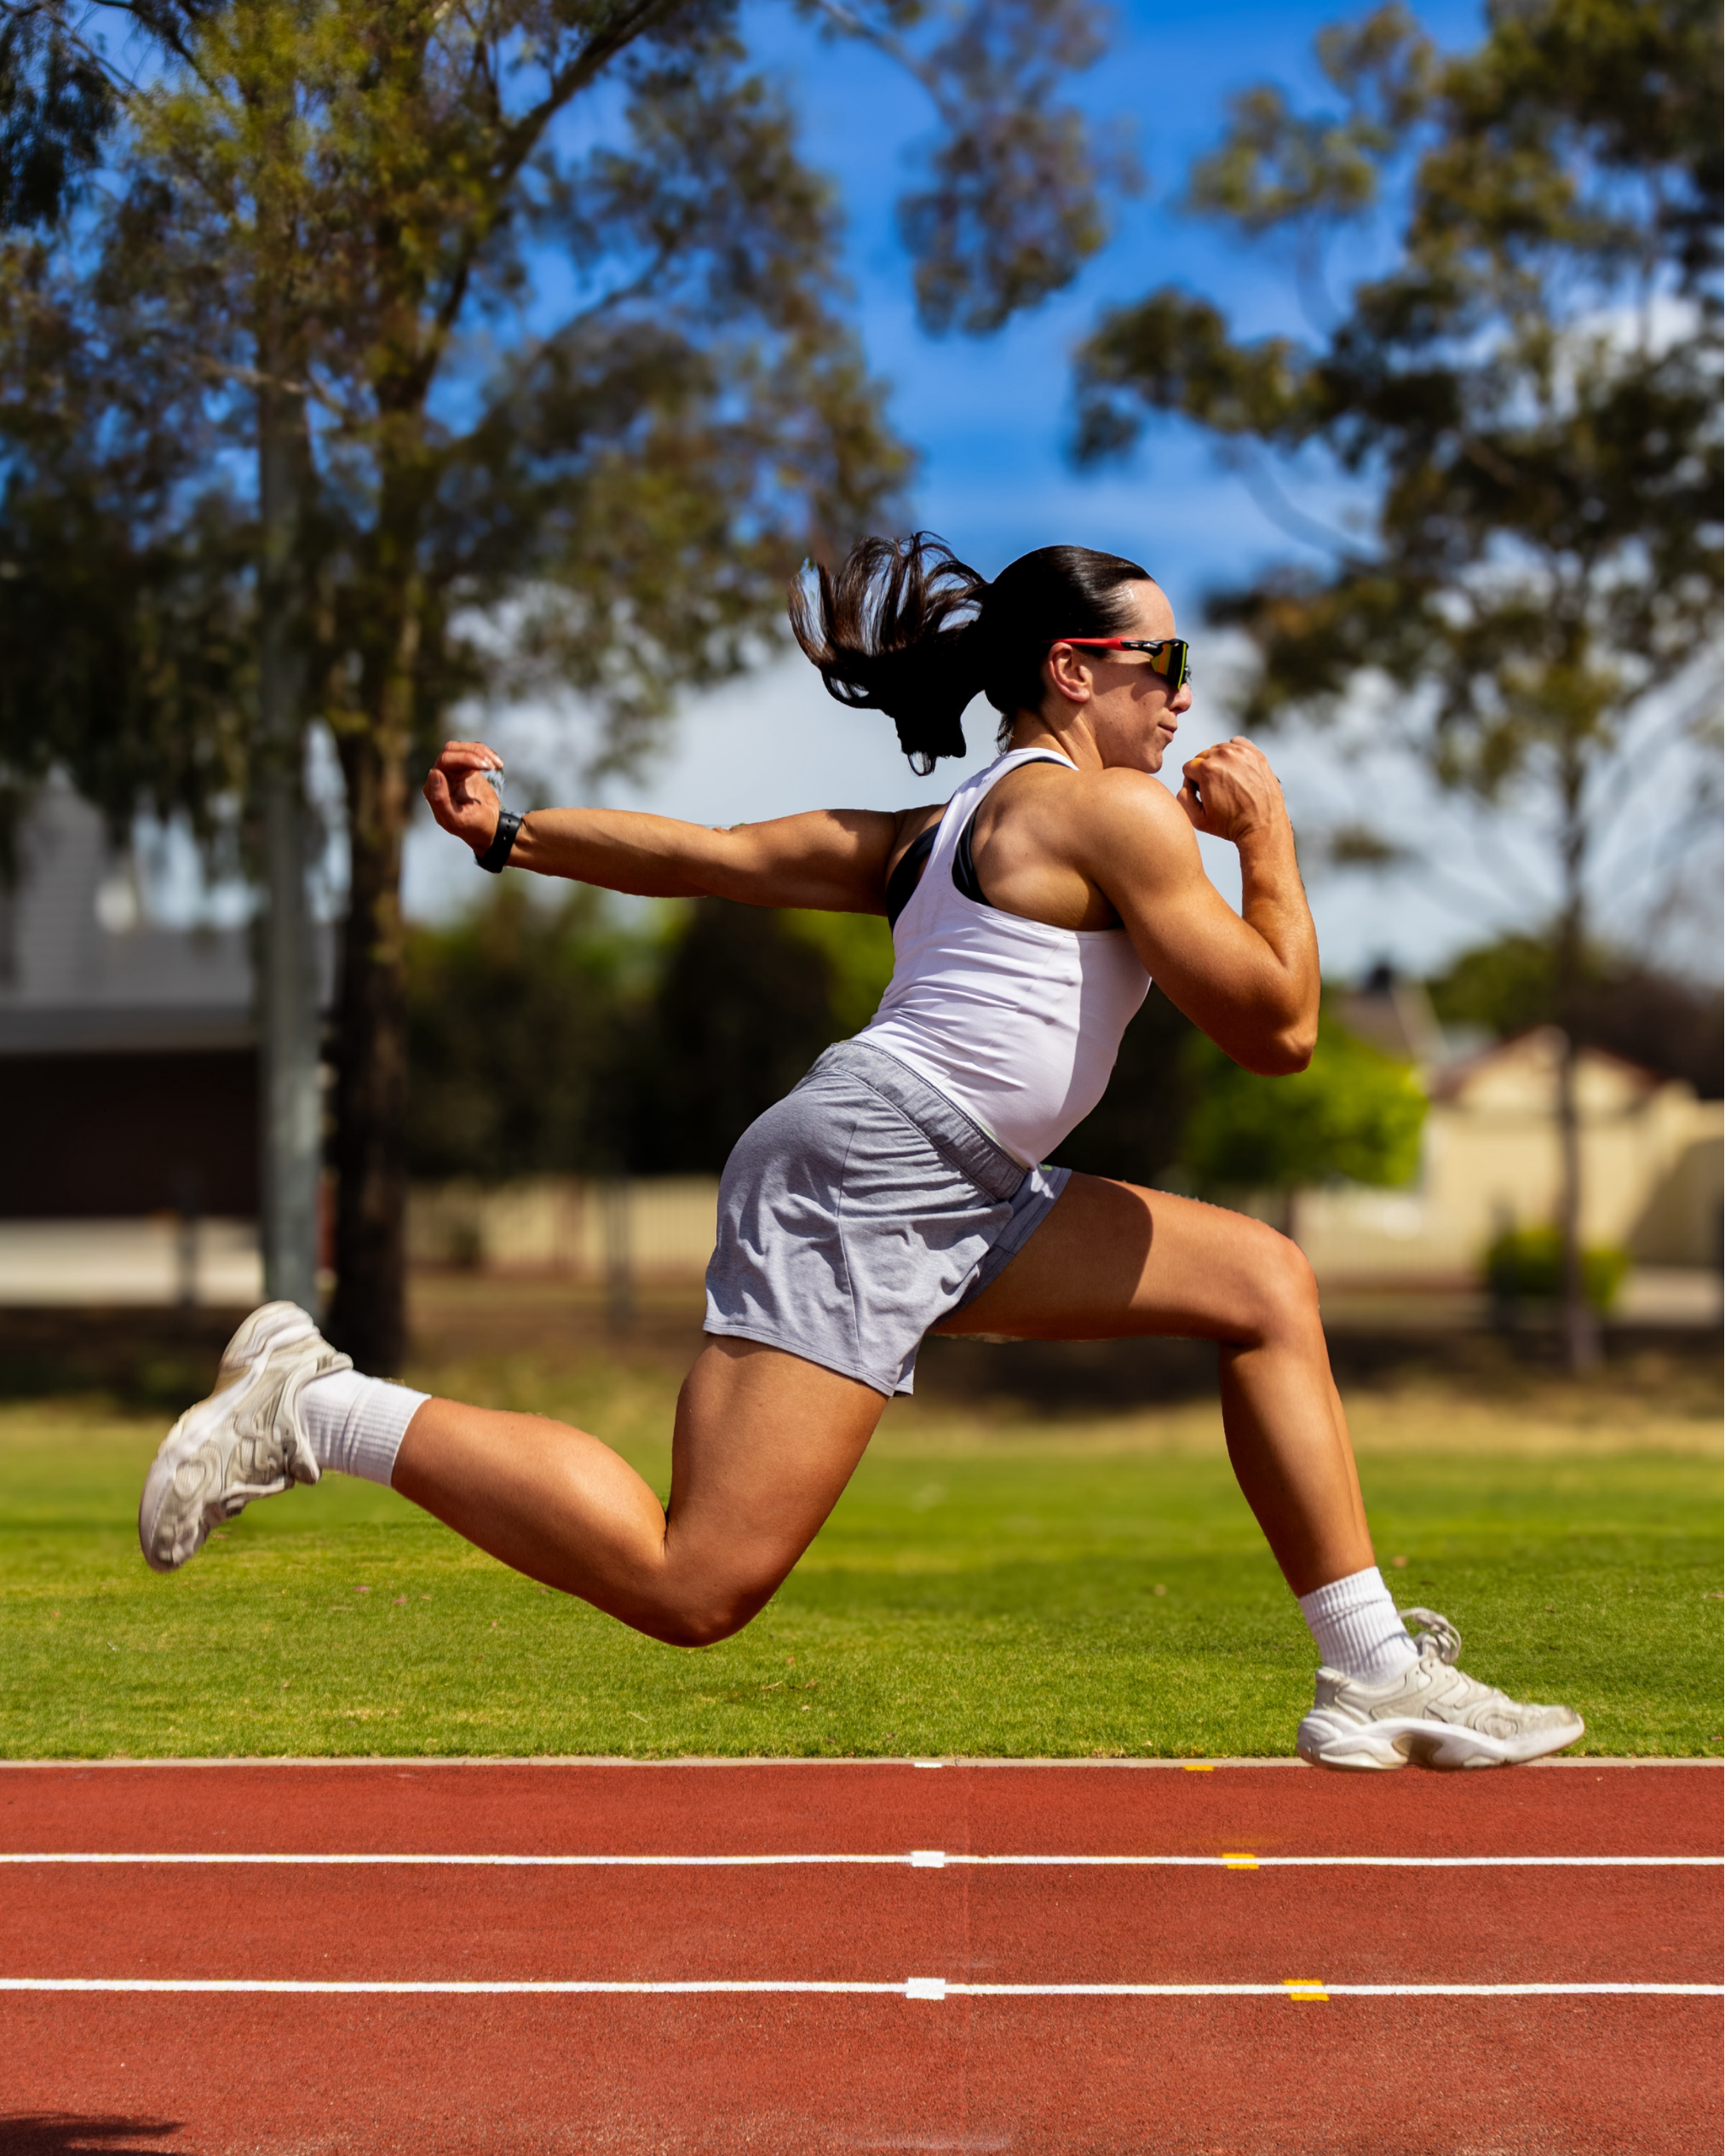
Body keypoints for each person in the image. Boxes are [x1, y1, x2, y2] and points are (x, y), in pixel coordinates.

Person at [137, 534, 1583, 1772]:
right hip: (885, 1167)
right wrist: (1267, 840)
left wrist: (517, 829)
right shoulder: (1108, 812)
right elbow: (1280, 1028)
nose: (1185, 695)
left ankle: (1371, 1669)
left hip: (967, 1185)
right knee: (691, 1577)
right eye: (1162, 661)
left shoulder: (952, 825)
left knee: (1263, 1280)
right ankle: (316, 1404)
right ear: (1073, 672)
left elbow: (721, 855)